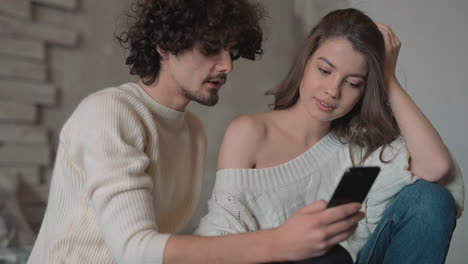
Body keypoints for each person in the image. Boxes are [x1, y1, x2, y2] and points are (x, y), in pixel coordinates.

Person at [26, 1, 374, 264]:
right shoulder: (110, 112)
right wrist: (281, 241)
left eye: (232, 52)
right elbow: (134, 249)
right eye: (210, 49)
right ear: (164, 44)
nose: (227, 65)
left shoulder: (192, 130)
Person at [195, 8, 464, 264]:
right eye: (325, 70)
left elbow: (436, 167)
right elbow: (222, 231)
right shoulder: (250, 133)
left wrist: (387, 76)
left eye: (352, 83)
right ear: (305, 62)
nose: (333, 91)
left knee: (431, 198)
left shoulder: (360, 146)